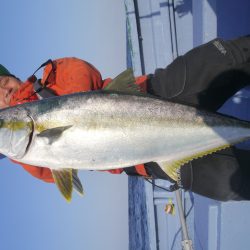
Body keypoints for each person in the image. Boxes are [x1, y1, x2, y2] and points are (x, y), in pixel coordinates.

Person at [1, 35, 250, 201]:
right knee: (235, 182)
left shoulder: (51, 73)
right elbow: (49, 170)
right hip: (149, 157)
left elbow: (83, 72)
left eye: (2, 82)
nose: (5, 91)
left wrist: (69, 108)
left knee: (231, 57)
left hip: (157, 91)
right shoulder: (22, 152)